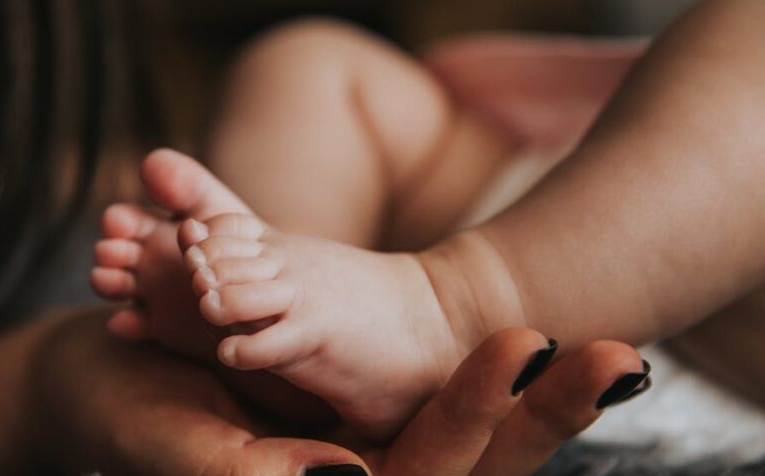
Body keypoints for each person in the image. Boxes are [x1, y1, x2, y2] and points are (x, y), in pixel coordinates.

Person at [91, 0, 765, 443]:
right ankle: (284, 305)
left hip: (717, 337)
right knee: (310, 62)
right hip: (529, 197)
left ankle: (451, 307)